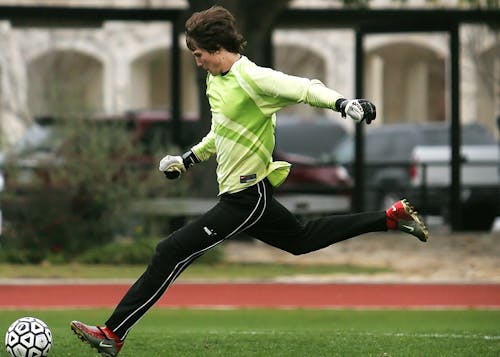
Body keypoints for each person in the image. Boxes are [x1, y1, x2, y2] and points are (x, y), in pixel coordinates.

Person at [70, 5, 428, 356]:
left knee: (170, 251)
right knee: (301, 239)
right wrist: (187, 159)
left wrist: (343, 103)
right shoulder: (215, 80)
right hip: (241, 196)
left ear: (216, 48)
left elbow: (304, 87)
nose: (197, 62)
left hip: (245, 197)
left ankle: (112, 334)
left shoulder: (252, 78)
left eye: (198, 54)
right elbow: (220, 132)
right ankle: (389, 217)